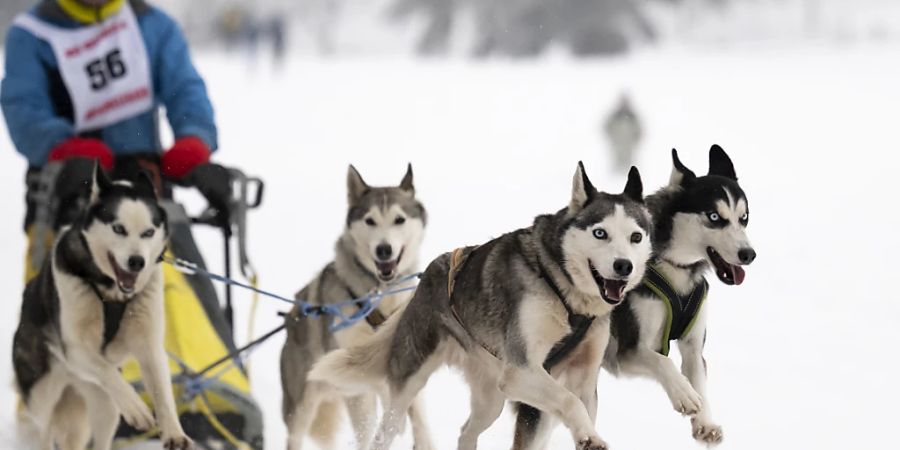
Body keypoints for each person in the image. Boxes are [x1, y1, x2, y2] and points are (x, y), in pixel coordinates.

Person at [1, 1, 264, 447]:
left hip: (144, 189)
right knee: (59, 313)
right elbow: (24, 108)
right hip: (65, 187)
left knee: (173, 287)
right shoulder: (35, 34)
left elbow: (185, 89)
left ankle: (205, 398)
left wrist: (194, 141)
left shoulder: (149, 25)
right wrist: (62, 146)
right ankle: (53, 420)